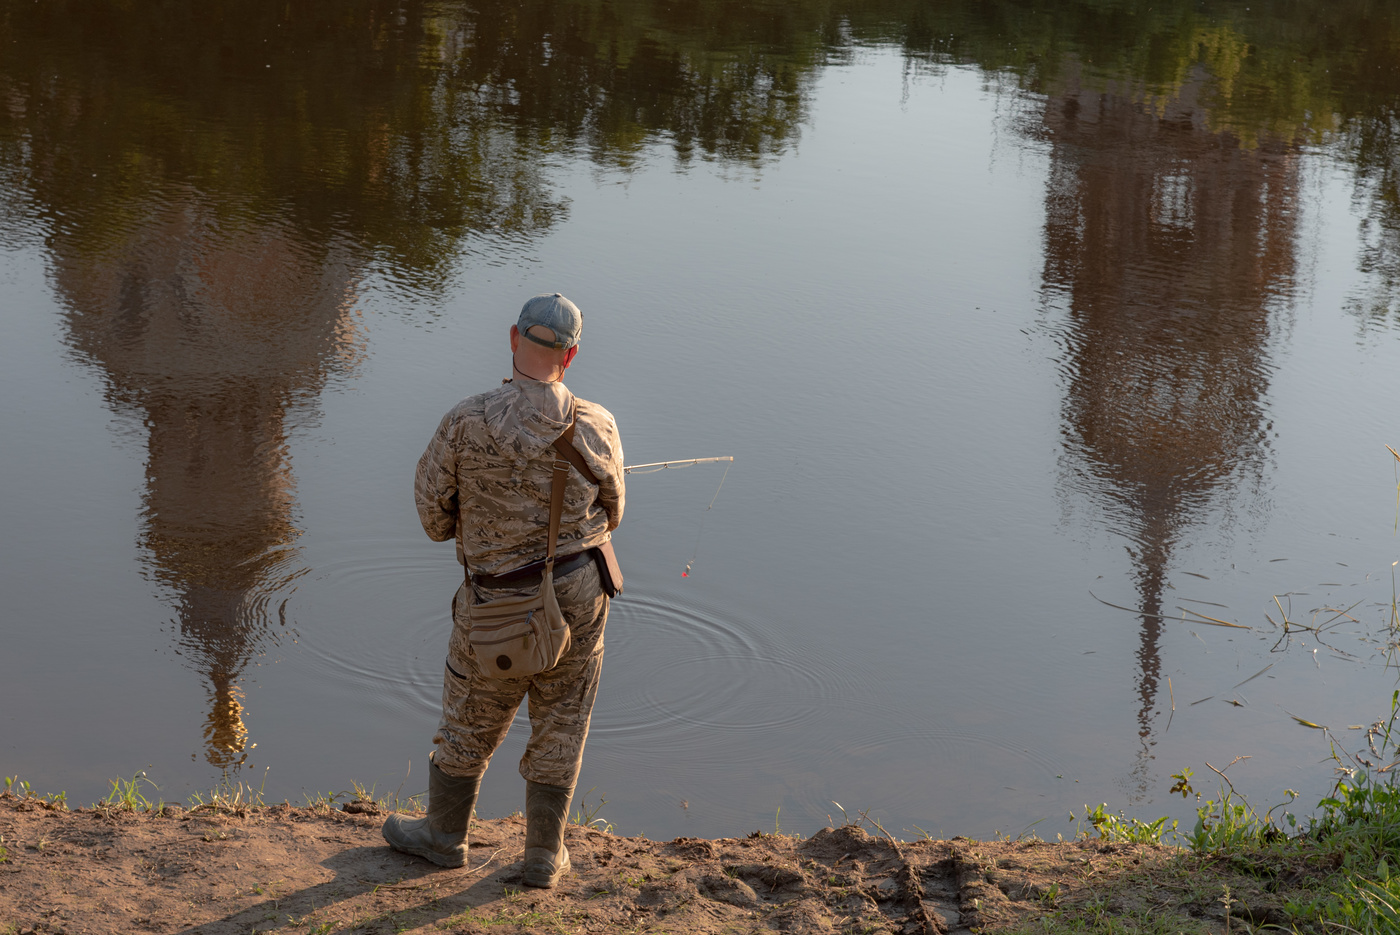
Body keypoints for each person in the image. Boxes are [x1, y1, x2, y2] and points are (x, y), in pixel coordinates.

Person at [383, 293, 624, 887]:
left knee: (470, 713)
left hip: (497, 600)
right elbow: (613, 513)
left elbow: (433, 521)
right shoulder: (596, 424)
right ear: (571, 354)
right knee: (563, 721)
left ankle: (444, 837)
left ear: (514, 338)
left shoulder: (465, 421)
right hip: (578, 591)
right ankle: (543, 856)